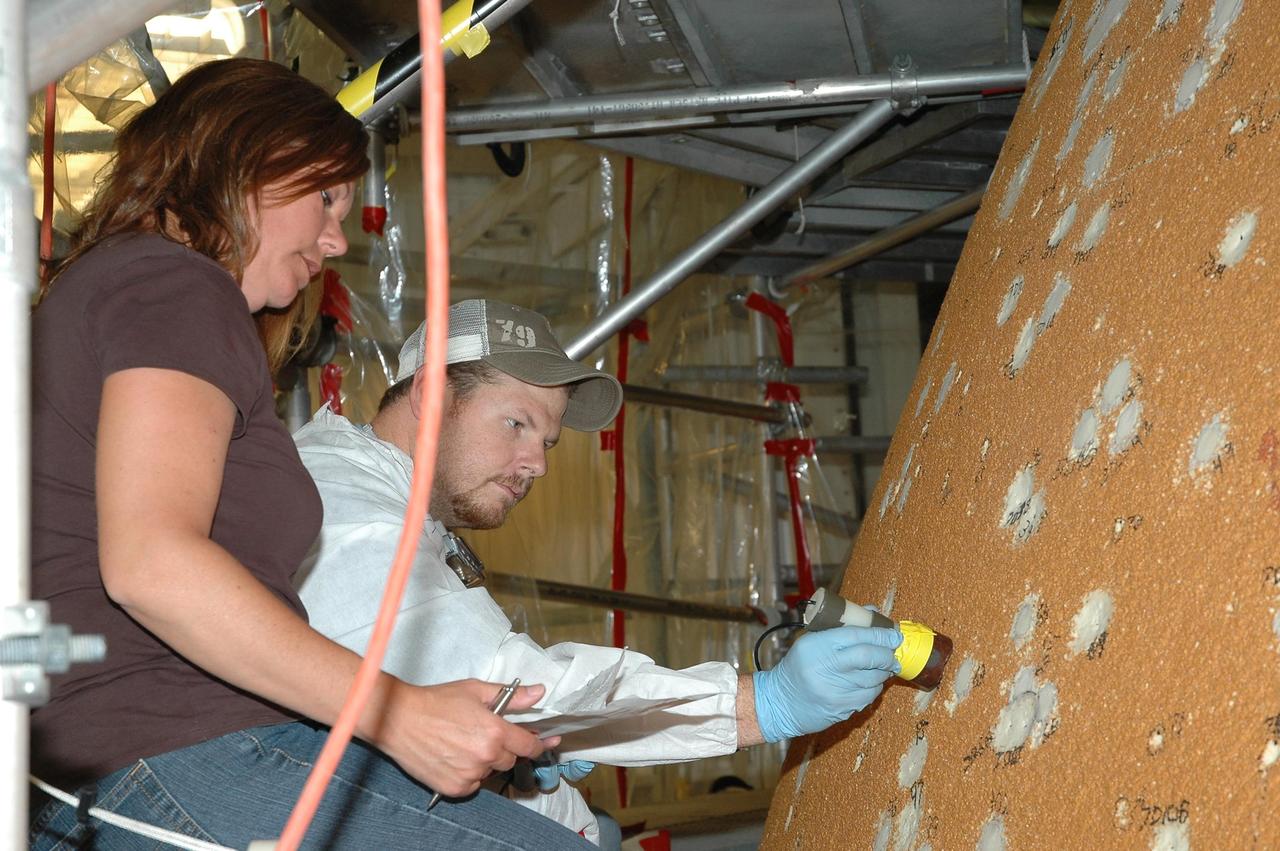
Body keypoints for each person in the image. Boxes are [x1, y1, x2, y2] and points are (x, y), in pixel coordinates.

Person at [28, 59, 592, 850]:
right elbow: (152, 561)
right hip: (158, 745)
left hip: (163, 743)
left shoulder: (123, 286)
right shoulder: (178, 286)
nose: (334, 239)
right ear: (246, 160)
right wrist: (394, 711)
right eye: (326, 197)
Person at [294, 298, 904, 843]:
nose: (537, 465)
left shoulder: (387, 496)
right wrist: (760, 705)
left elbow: (467, 709)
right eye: (517, 424)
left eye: (547, 442)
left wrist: (563, 806)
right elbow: (511, 687)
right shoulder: (345, 513)